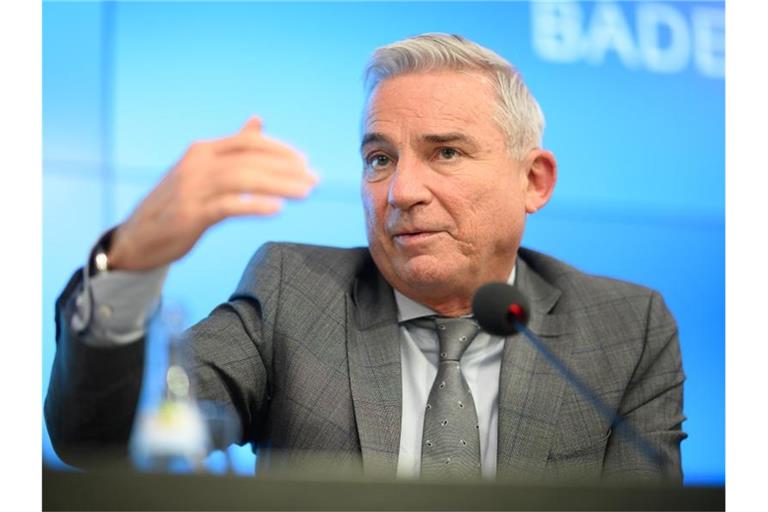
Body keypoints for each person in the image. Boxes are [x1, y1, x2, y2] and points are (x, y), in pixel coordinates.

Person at [45, 33, 686, 482]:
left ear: (534, 182)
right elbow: (100, 439)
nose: (401, 192)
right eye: (380, 158)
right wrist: (129, 265)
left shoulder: (624, 328)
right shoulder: (294, 292)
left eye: (447, 153)